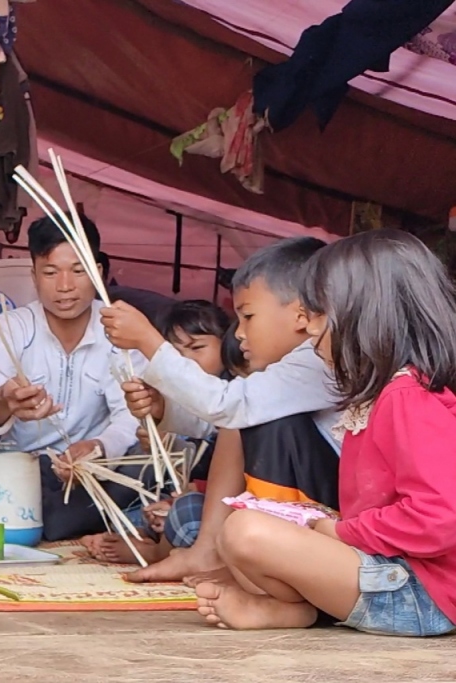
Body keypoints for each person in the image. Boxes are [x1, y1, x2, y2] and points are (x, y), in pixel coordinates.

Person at [195, 229, 456, 635]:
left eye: (317, 311)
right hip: (390, 574)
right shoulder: (378, 394)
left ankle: (304, 610)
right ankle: (299, 611)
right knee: (240, 533)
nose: (306, 324)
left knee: (247, 532)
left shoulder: (406, 397)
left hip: (421, 595)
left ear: (365, 314)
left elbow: (440, 517)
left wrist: (339, 531)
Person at [100, 236, 340, 583]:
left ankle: (217, 552)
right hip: (319, 507)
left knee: (244, 413)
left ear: (301, 314)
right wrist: (163, 408)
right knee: (242, 415)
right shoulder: (293, 370)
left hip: (332, 517)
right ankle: (207, 550)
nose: (239, 334)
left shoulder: (315, 359)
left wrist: (149, 343)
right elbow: (227, 415)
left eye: (248, 316)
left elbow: (228, 406)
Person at [0, 216, 142, 542]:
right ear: (33, 276)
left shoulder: (119, 330)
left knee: (142, 467)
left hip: (90, 473)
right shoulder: (11, 327)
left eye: (78, 270)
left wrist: (99, 447)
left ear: (99, 273)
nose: (64, 285)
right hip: (23, 468)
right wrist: (4, 400)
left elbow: (130, 419)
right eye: (50, 272)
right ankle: (39, 513)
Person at [89, 300, 235, 564]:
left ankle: (157, 551)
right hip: (183, 492)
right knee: (133, 514)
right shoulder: (171, 392)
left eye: (197, 348)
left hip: (213, 501)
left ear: (225, 343)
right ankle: (157, 534)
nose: (187, 361)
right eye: (177, 353)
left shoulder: (235, 390)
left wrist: (189, 489)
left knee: (187, 515)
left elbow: (215, 456)